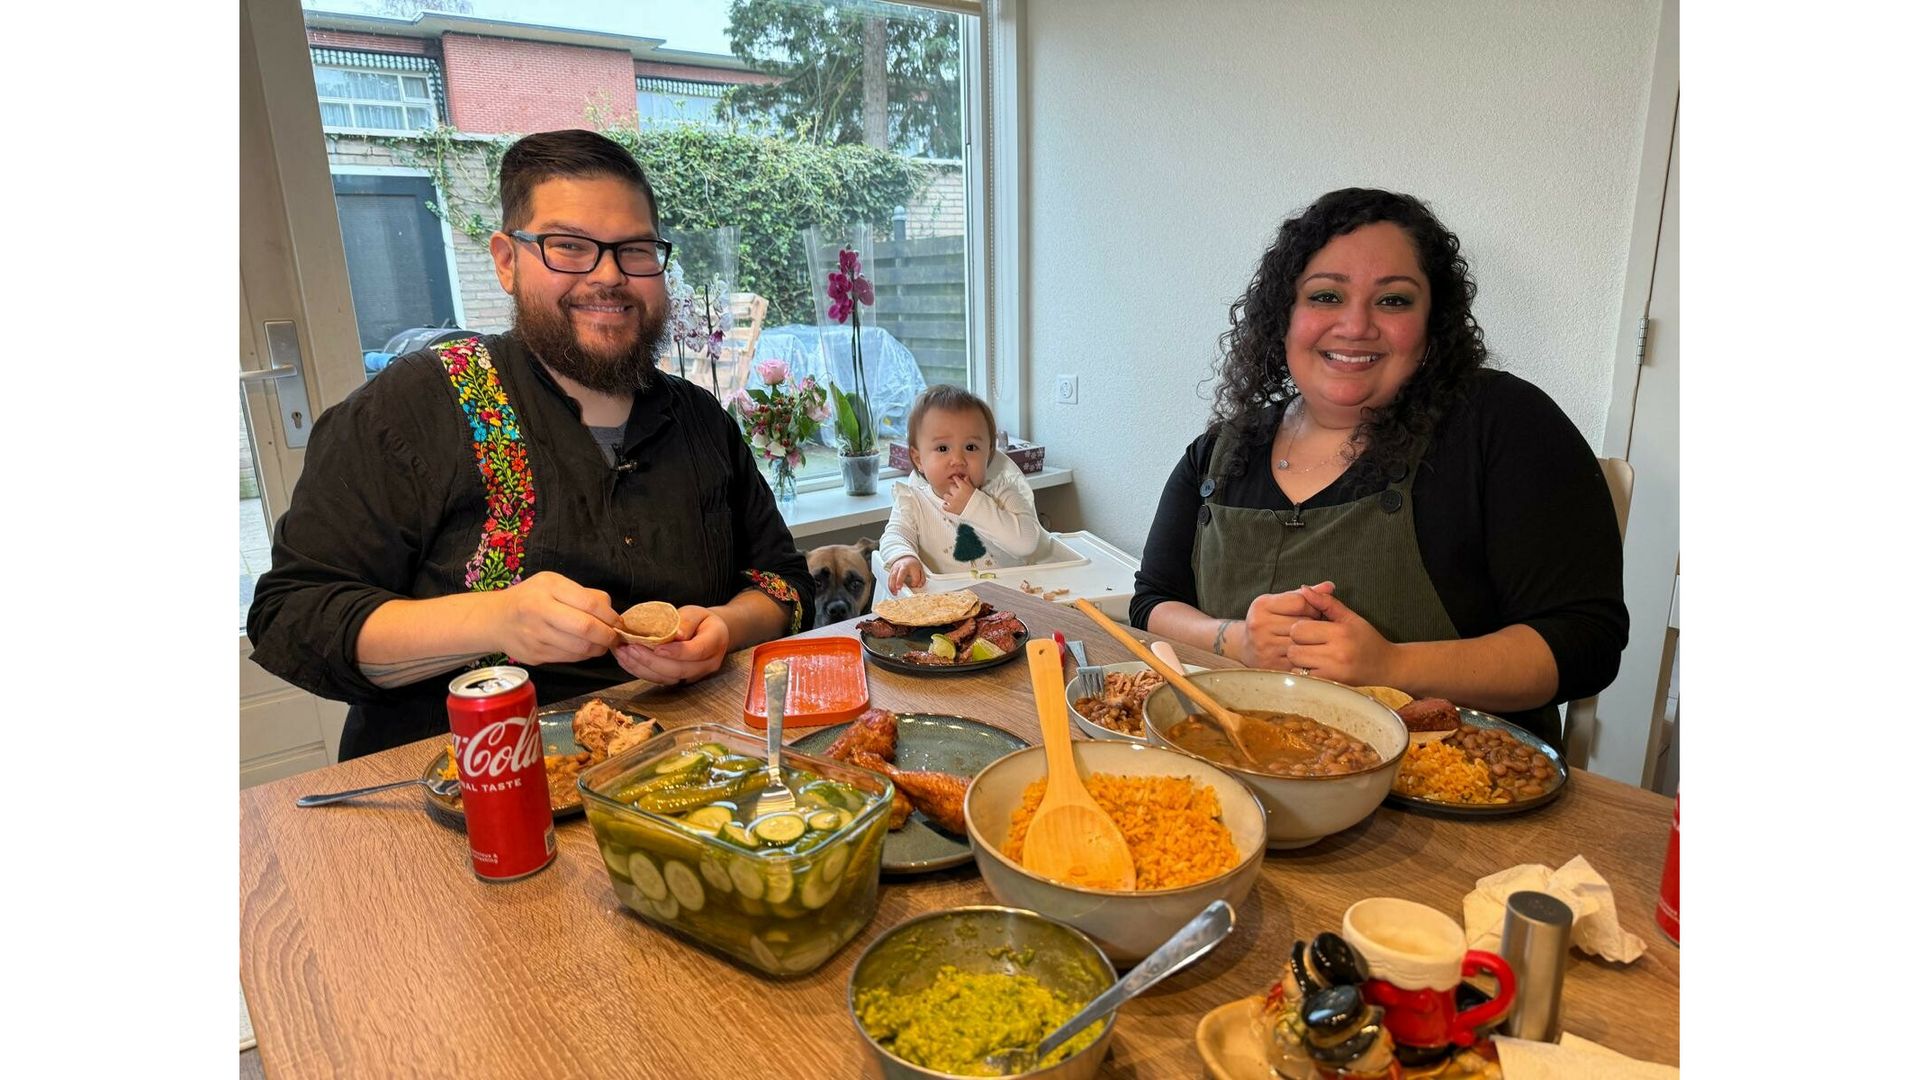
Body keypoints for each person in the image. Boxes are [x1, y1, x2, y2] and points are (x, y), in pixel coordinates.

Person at [247, 129, 813, 760]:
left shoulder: (699, 420)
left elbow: (784, 582)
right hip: (465, 780)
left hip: (685, 764)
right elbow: (292, 615)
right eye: (568, 246)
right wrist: (495, 619)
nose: (609, 276)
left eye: (635, 250)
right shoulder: (411, 406)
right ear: (506, 261)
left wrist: (724, 629)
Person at [1130, 188, 1626, 747]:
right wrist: (1234, 639)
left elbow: (1586, 642)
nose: (1355, 325)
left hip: (1456, 781)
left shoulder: (1500, 424)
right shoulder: (1221, 451)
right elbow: (1152, 602)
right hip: (1232, 761)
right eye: (1325, 296)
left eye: (1393, 301)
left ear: (1433, 323)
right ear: (1283, 316)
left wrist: (1391, 665)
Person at [878, 384, 1048, 593]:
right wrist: (904, 557)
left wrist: (975, 505)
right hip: (944, 602)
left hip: (1009, 600)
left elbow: (1028, 544)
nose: (958, 459)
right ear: (919, 459)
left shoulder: (1002, 494)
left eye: (971, 447)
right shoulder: (913, 502)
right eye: (943, 448)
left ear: (989, 453)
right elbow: (894, 535)